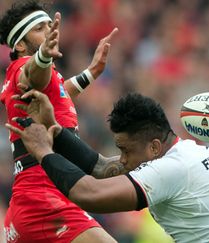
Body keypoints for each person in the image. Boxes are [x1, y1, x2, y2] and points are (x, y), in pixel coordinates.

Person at [7, 90, 209, 243]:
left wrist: (42, 150)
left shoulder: (172, 169)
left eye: (126, 150)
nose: (123, 159)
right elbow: (105, 169)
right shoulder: (182, 153)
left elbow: (90, 194)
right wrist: (56, 130)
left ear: (153, 146)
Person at [0, 1, 124, 242]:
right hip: (44, 196)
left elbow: (59, 92)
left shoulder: (32, 79)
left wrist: (90, 74)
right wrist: (43, 55)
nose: (49, 31)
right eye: (39, 28)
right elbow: (33, 73)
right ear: (21, 44)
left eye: (49, 25)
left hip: (34, 194)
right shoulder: (23, 67)